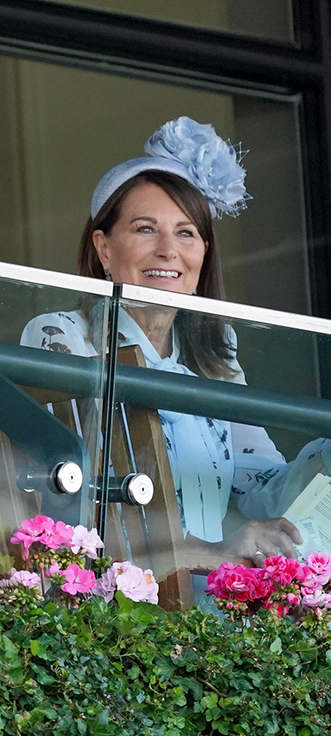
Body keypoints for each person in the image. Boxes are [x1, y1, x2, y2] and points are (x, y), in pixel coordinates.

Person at [21, 118, 329, 566]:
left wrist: (324, 456)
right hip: (107, 602)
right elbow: (79, 497)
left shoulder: (215, 351)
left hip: (206, 609)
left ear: (203, 254)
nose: (169, 249)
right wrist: (214, 551)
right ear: (104, 248)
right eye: (146, 229)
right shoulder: (60, 335)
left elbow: (257, 489)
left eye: (186, 233)